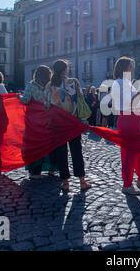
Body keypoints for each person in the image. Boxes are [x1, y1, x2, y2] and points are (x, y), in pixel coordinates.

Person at [111, 57, 140, 195]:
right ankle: (127, 184)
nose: (132, 69)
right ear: (124, 68)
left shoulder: (126, 82)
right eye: (130, 66)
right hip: (128, 119)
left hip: (133, 119)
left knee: (139, 150)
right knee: (129, 153)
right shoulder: (120, 83)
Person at [46, 60, 92, 192]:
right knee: (77, 151)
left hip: (58, 122)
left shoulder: (50, 85)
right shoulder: (73, 82)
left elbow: (47, 104)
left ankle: (65, 182)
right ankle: (82, 181)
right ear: (64, 70)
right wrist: (83, 120)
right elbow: (80, 100)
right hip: (72, 121)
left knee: (61, 153)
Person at [20, 65, 57, 179]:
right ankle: (52, 169)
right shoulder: (51, 86)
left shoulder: (31, 85)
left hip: (34, 121)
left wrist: (18, 96)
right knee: (50, 144)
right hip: (48, 119)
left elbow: (25, 100)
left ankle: (35, 171)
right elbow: (54, 101)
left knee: (34, 143)